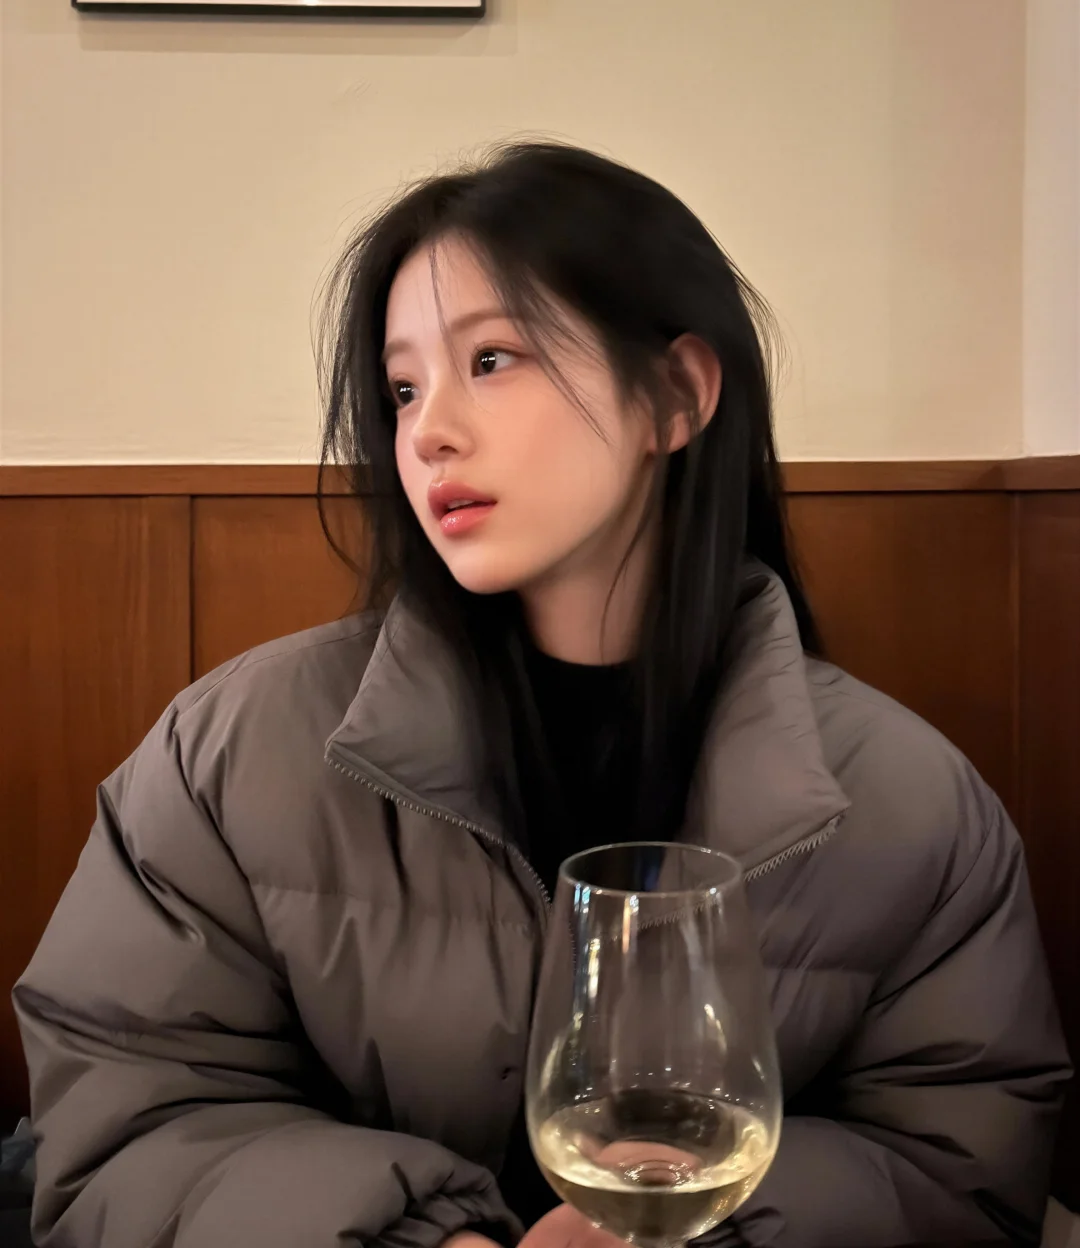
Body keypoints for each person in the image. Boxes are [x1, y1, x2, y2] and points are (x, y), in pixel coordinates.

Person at [14, 143, 1069, 1248]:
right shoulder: (227, 756)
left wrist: (699, 1230)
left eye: (492, 359)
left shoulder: (914, 803)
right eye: (403, 387)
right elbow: (126, 1128)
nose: (428, 431)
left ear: (675, 396)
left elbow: (959, 1167)